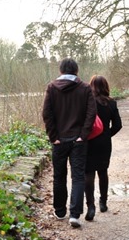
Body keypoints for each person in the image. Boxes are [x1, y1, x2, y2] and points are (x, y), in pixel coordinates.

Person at [42, 58, 97, 228]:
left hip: (59, 141)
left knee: (59, 176)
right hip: (78, 141)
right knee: (78, 176)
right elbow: (91, 113)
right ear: (76, 70)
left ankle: (59, 211)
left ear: (60, 70)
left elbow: (46, 114)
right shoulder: (85, 88)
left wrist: (54, 137)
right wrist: (83, 135)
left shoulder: (52, 88)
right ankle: (74, 214)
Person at [85, 75, 123, 221]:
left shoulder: (88, 103)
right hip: (104, 142)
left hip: (89, 141)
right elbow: (118, 125)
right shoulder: (111, 103)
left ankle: (90, 206)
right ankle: (103, 202)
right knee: (103, 172)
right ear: (106, 86)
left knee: (88, 173)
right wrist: (107, 134)